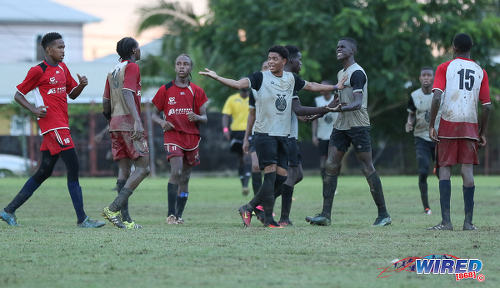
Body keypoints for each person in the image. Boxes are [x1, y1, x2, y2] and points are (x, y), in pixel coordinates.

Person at [200, 45, 343, 228]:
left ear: (284, 61)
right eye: (269, 58)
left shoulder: (291, 79)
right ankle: (269, 219)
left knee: (282, 178)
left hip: (283, 136)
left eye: (275, 58)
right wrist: (217, 76)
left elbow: (312, 86)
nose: (271, 62)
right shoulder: (259, 77)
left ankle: (249, 206)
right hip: (264, 134)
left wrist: (335, 86)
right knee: (270, 175)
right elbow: (238, 83)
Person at [0, 32, 105, 228]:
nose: (63, 51)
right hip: (53, 125)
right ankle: (82, 219)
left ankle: (8, 211)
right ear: (48, 49)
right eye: (60, 47)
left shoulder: (63, 68)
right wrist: (33, 110)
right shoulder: (37, 71)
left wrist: (81, 85)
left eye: (64, 47)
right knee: (73, 167)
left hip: (61, 124)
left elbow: (72, 95)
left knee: (43, 172)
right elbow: (18, 94)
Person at [306, 37, 392, 227]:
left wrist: (339, 110)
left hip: (358, 125)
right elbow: (336, 101)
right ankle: (325, 215)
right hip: (341, 125)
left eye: (343, 46)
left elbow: (357, 103)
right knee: (330, 165)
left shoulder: (357, 73)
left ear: (352, 50)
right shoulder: (341, 73)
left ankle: (383, 214)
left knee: (367, 167)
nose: (338, 48)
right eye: (337, 46)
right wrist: (318, 114)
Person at [427, 33, 491, 231]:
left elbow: (437, 97)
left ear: (453, 47)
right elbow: (487, 106)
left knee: (445, 168)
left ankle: (446, 222)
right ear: (470, 48)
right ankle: (468, 223)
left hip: (448, 123)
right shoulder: (481, 71)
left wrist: (431, 125)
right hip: (470, 126)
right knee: (467, 171)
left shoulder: (444, 68)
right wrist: (482, 131)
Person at [152, 54, 208, 225]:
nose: (182, 67)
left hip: (191, 138)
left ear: (190, 68)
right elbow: (153, 114)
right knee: (176, 172)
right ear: (175, 67)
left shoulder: (197, 91)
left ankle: (179, 214)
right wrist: (162, 122)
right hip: (173, 136)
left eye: (185, 64)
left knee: (185, 177)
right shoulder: (165, 89)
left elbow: (205, 117)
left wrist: (197, 117)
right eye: (178, 64)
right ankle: (170, 215)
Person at [102, 37, 150, 229]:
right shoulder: (131, 67)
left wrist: (112, 121)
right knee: (143, 168)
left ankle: (125, 220)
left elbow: (105, 103)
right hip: (129, 123)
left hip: (115, 123)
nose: (139, 52)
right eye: (138, 49)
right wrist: (137, 120)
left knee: (124, 170)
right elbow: (128, 92)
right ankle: (113, 209)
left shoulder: (113, 70)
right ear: (133, 51)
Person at [405, 67, 437, 215]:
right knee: (423, 171)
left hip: (438, 138)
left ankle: (445, 205)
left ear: (433, 77)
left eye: (429, 75)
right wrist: (409, 123)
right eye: (423, 75)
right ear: (419, 78)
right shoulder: (414, 95)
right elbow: (411, 114)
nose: (426, 78)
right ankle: (426, 207)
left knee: (442, 173)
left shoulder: (439, 94)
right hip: (420, 137)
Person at [222, 88, 252, 195]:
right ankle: (243, 183)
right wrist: (225, 129)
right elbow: (226, 115)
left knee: (247, 156)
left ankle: (245, 185)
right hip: (236, 132)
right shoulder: (232, 99)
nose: (245, 91)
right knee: (240, 159)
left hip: (249, 132)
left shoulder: (253, 98)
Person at [312, 80, 338, 180]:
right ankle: (325, 182)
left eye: (323, 86)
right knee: (323, 160)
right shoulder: (317, 100)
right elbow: (314, 120)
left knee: (334, 161)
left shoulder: (335, 98)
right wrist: (314, 135)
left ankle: (333, 183)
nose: (321, 88)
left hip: (334, 135)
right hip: (322, 136)